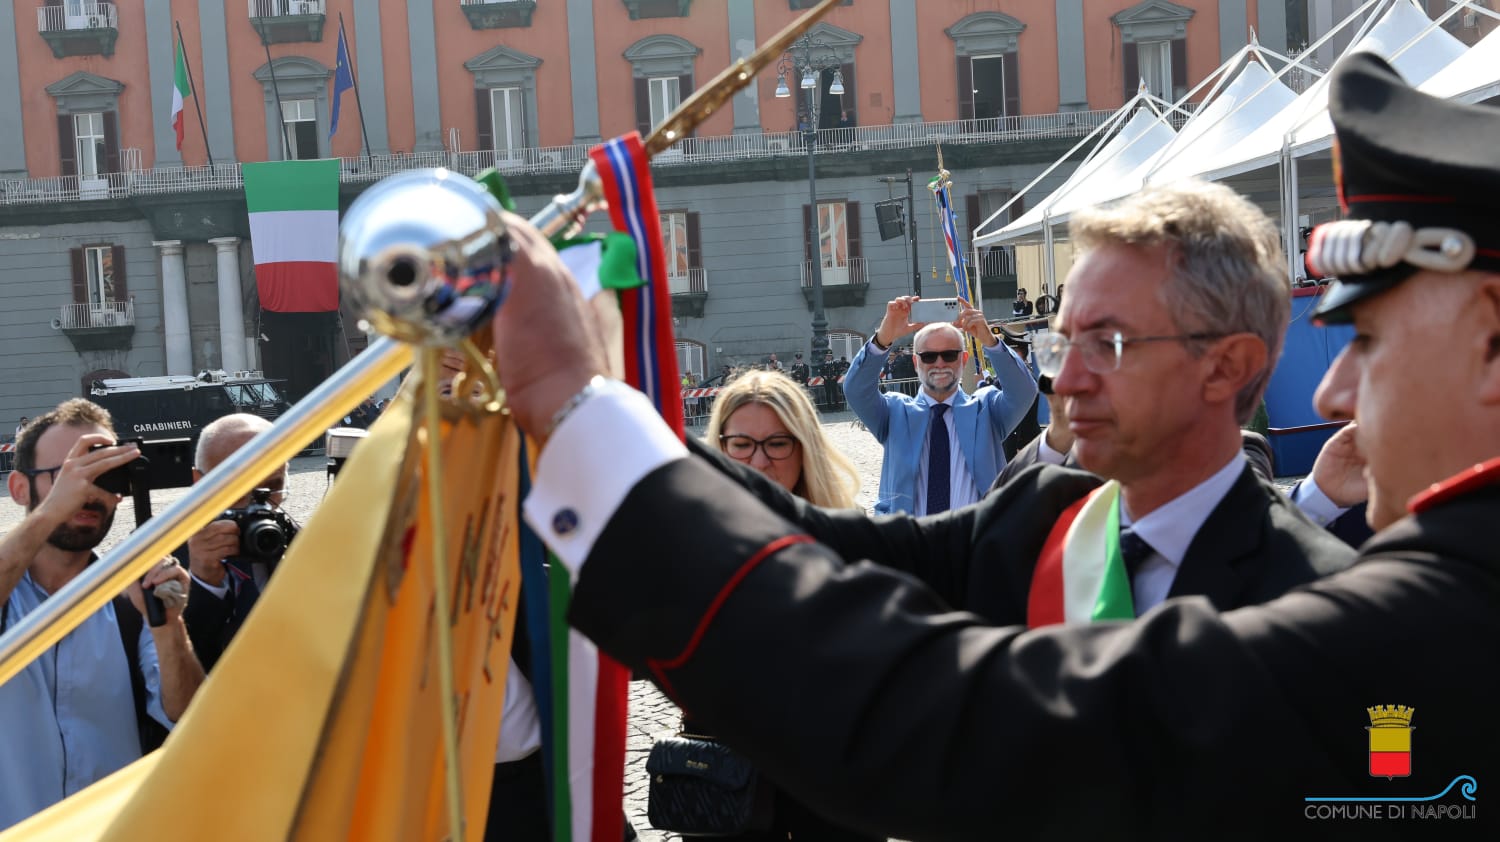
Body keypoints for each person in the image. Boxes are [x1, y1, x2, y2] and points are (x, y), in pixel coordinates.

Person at [492, 53, 1500, 837]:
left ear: (1224, 366)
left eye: (1365, 338)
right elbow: (820, 549)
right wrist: (609, 410)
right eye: (1065, 340)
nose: (1331, 388)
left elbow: (956, 714)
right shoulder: (1049, 512)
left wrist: (579, 412)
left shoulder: (1352, 607)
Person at [0, 399, 203, 830]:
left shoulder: (130, 601)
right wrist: (54, 508)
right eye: (68, 474)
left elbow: (190, 719)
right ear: (19, 488)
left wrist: (169, 628)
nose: (88, 490)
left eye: (104, 472)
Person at [691, 370, 870, 841]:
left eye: (777, 444)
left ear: (804, 446)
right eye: (742, 444)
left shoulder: (847, 537)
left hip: (829, 779)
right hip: (724, 781)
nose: (759, 461)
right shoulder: (691, 541)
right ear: (721, 446)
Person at [843, 296, 1037, 514]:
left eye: (949, 355)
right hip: (909, 541)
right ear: (916, 363)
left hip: (973, 540)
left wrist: (989, 340)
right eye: (928, 357)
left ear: (963, 359)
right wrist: (882, 339)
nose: (940, 363)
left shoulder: (986, 410)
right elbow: (856, 390)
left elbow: (1024, 391)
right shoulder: (895, 413)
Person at [179, 413, 298, 671]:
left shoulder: (310, 546)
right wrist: (202, 582)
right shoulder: (155, 555)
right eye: (238, 489)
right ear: (200, 482)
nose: (257, 505)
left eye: (272, 487)